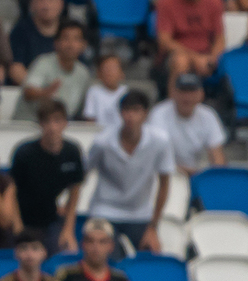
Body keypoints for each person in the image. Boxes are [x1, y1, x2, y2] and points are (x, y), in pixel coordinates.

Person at [86, 90, 175, 257]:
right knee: (105, 257)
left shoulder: (160, 141)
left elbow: (164, 184)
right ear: (120, 113)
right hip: (105, 210)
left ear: (145, 114)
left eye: (136, 110)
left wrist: (153, 227)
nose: (130, 116)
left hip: (140, 213)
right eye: (126, 110)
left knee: (151, 258)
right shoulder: (102, 142)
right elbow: (81, 174)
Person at [9, 99, 84, 254]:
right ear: (40, 124)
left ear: (65, 123)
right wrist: (18, 228)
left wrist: (68, 230)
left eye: (57, 121)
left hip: (51, 219)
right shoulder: (25, 153)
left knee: (67, 251)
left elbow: (75, 191)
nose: (52, 127)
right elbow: (12, 192)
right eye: (47, 121)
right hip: (23, 218)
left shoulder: (72, 152)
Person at [148, 73, 228, 174]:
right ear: (174, 93)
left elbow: (217, 156)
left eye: (192, 91)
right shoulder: (159, 114)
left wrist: (216, 176)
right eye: (183, 91)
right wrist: (189, 172)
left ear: (201, 94)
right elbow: (156, 157)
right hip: (165, 173)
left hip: (195, 173)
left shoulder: (208, 115)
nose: (187, 97)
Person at [13, 19, 90, 122]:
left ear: (84, 45)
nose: (70, 44)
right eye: (66, 38)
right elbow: (28, 92)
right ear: (56, 43)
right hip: (29, 124)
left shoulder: (84, 73)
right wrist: (45, 93)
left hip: (64, 126)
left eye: (76, 39)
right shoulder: (43, 62)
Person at [157, 0, 225, 83]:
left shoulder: (214, 3)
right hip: (176, 54)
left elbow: (219, 39)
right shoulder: (166, 3)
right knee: (181, 61)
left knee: (229, 63)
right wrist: (195, 59)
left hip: (206, 55)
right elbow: (165, 41)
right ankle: (178, 91)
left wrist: (212, 60)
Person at [9, 0, 63, 86]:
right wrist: (39, 89)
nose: (46, 6)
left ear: (61, 3)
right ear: (32, 4)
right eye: (41, 1)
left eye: (51, 1)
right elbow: (15, 68)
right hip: (29, 89)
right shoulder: (20, 31)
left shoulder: (70, 30)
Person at [82, 54, 128, 127]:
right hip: (99, 132)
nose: (110, 72)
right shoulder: (93, 91)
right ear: (99, 73)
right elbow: (90, 118)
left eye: (113, 68)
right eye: (106, 68)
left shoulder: (126, 92)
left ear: (122, 73)